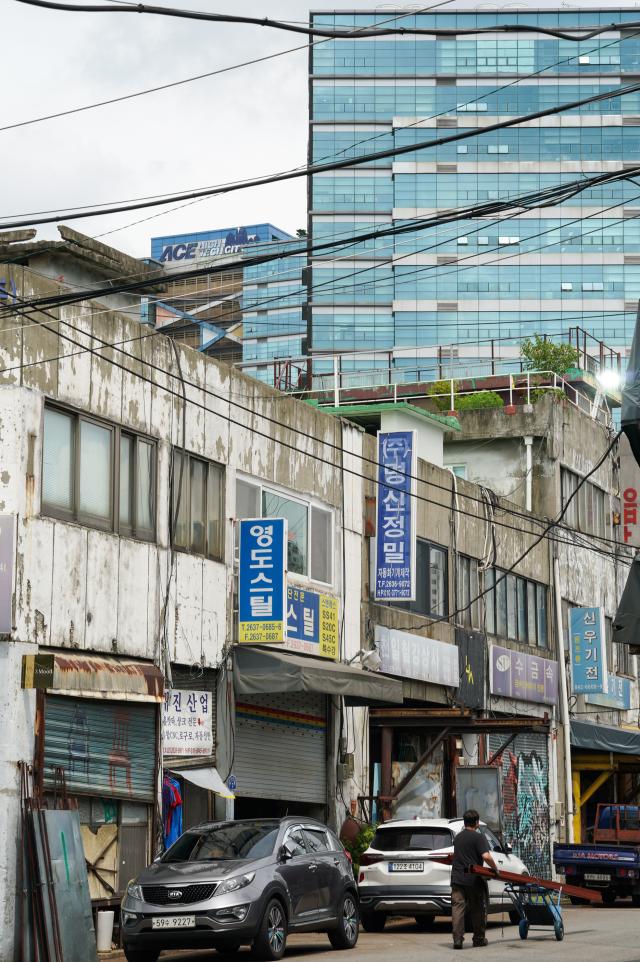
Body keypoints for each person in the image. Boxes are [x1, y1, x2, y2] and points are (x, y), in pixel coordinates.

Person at [451, 809, 498, 950]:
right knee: (477, 908)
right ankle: (478, 939)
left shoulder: (458, 837)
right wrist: (495, 869)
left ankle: (457, 940)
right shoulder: (479, 837)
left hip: (457, 878)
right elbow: (486, 856)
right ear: (477, 823)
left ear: (465, 822)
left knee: (457, 909)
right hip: (473, 879)